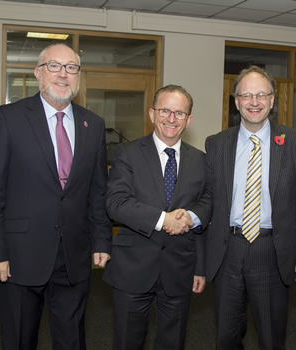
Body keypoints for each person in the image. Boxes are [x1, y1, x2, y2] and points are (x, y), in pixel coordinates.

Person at [0, 43, 112, 349]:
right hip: (19, 256)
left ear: (78, 77)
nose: (63, 74)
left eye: (71, 68)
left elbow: (98, 190)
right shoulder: (8, 118)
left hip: (73, 256)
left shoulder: (94, 124)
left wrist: (102, 239)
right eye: (54, 66)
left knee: (72, 340)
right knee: (20, 339)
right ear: (38, 73)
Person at [188, 65, 296, 349]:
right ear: (236, 102)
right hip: (227, 250)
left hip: (271, 250)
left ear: (272, 99)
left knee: (271, 338)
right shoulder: (217, 143)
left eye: (261, 95)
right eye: (247, 95)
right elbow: (208, 198)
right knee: (226, 336)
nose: (254, 102)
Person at [104, 85, 206, 350]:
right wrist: (164, 219)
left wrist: (191, 218)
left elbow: (209, 203)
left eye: (179, 113)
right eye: (165, 111)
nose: (171, 118)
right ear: (152, 114)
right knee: (127, 342)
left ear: (189, 119)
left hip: (180, 269)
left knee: (173, 343)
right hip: (133, 269)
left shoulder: (201, 161)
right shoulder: (128, 153)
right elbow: (116, 203)